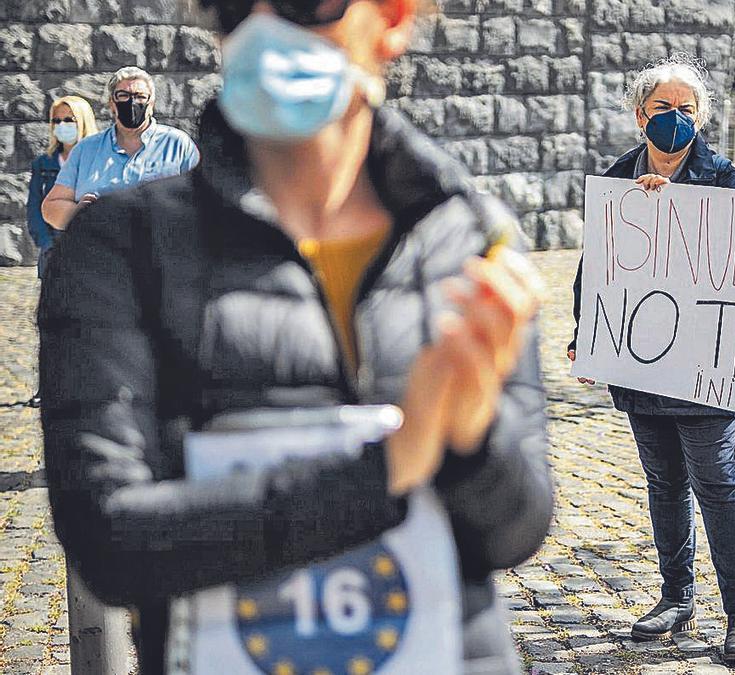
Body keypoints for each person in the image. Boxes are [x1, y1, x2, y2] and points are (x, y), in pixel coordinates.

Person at [38, 0, 553, 673]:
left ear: (392, 18)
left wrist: (471, 437)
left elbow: (516, 528)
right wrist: (391, 463)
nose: (263, 27)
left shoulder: (466, 236)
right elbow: (107, 541)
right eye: (231, 5)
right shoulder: (118, 247)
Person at [568, 54, 735, 666]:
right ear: (638, 115)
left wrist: (675, 207)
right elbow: (595, 265)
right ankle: (677, 597)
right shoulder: (617, 178)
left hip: (704, 367)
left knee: (718, 484)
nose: (675, 120)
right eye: (663, 110)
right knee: (663, 485)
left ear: (700, 117)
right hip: (640, 362)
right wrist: (588, 332)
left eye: (686, 110)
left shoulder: (723, 179)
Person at [41, 66, 199, 231]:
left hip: (159, 251)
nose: (131, 102)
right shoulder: (86, 150)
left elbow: (207, 203)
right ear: (112, 103)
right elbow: (51, 207)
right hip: (102, 252)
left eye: (140, 97)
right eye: (123, 96)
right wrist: (81, 215)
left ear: (151, 103)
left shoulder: (178, 145)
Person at [27, 95, 99, 276]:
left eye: (68, 120)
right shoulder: (43, 164)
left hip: (91, 252)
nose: (62, 125)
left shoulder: (100, 160)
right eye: (56, 120)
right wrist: (48, 245)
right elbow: (34, 209)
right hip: (52, 251)